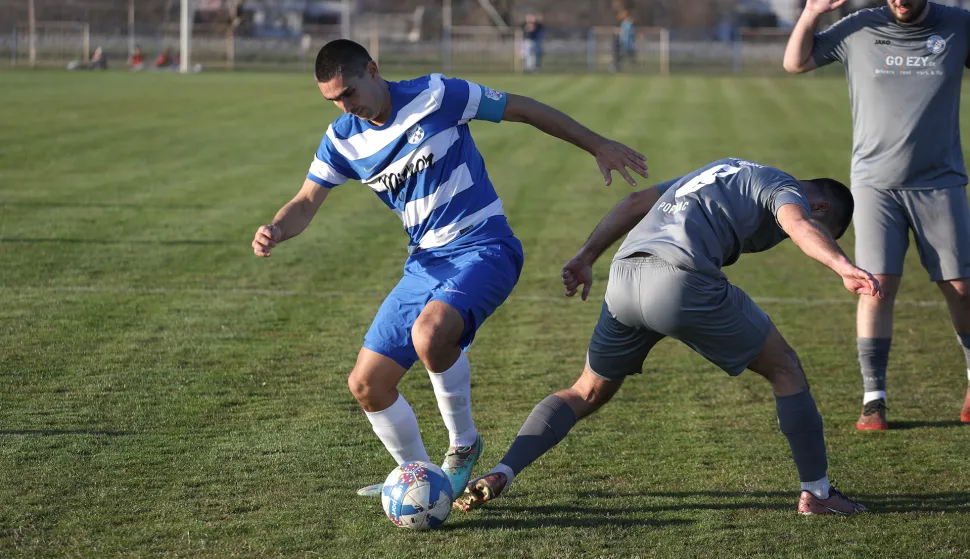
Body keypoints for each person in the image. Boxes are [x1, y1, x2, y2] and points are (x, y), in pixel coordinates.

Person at [250, 39, 648, 498]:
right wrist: (276, 229)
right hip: (425, 263)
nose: (346, 105)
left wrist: (597, 144)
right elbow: (305, 202)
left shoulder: (438, 95)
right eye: (334, 99)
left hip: (486, 246)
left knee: (429, 334)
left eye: (349, 92)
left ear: (373, 70)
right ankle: (420, 479)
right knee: (367, 384)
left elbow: (524, 109)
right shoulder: (342, 138)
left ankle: (464, 445)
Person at [454, 158, 879, 516]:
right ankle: (819, 493)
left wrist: (586, 257)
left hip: (623, 277)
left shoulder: (722, 169)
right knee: (786, 368)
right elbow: (800, 222)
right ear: (820, 203)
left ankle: (503, 471)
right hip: (682, 282)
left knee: (585, 391)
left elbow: (637, 201)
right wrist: (842, 265)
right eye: (830, 227)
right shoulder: (784, 188)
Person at [784, 0, 970, 430]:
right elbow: (795, 63)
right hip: (875, 185)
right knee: (874, 287)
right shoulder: (859, 27)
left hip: (940, 182)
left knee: (961, 288)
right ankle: (874, 400)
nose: (899, 1)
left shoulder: (959, 24)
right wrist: (812, 12)